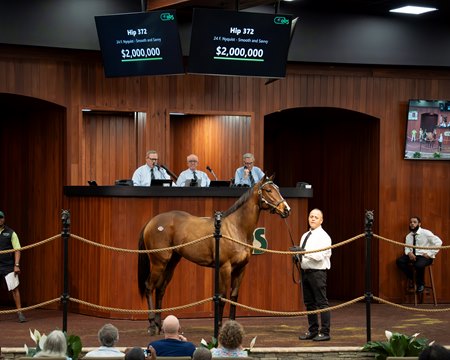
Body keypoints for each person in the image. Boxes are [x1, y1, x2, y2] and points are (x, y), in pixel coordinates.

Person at [298, 208, 332, 342]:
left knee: (322, 303)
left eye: (316, 217)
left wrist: (303, 253)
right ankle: (313, 330)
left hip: (317, 273)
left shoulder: (324, 236)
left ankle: (325, 332)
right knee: (309, 304)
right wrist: (297, 256)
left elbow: (319, 256)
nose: (312, 219)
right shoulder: (305, 235)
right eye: (311, 216)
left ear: (321, 220)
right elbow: (305, 255)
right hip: (305, 273)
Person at [396, 216, 442, 293]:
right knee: (399, 261)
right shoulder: (409, 236)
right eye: (411, 222)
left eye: (414, 222)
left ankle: (420, 284)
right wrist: (409, 253)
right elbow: (407, 248)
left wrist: (430, 254)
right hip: (413, 256)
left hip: (425, 256)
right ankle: (415, 280)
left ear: (419, 224)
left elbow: (439, 242)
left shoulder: (426, 233)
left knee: (418, 265)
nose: (412, 224)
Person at [0, 210, 26, 323]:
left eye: (1, 218)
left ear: (4, 219)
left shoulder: (11, 233)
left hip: (8, 265)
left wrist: (16, 265)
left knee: (15, 289)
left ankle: (20, 312)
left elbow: (17, 249)